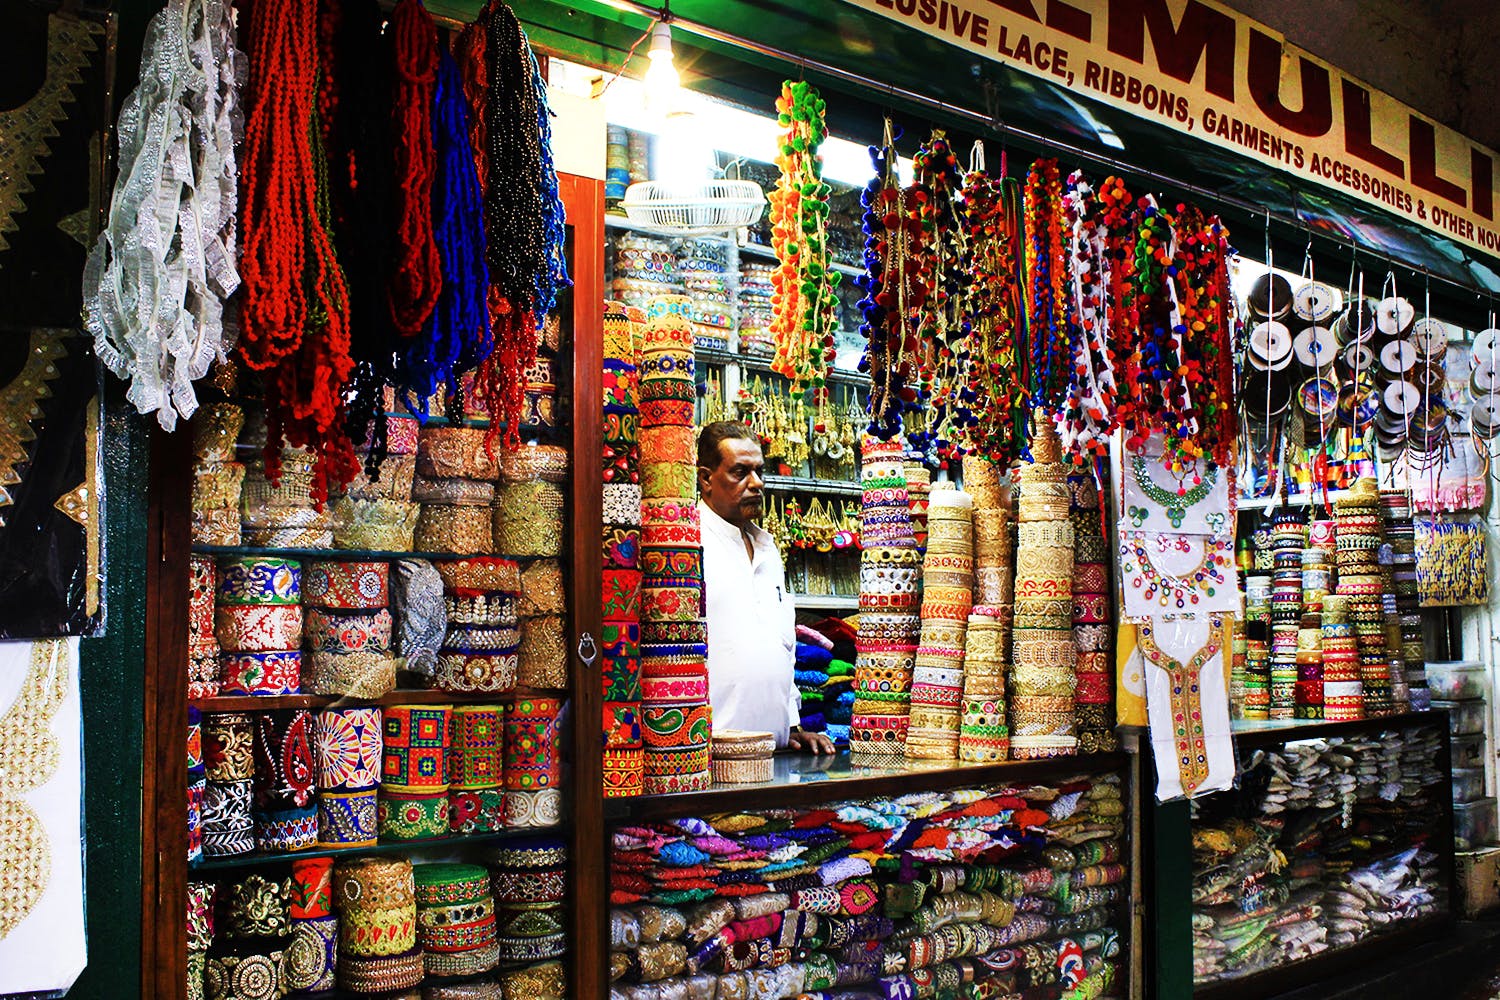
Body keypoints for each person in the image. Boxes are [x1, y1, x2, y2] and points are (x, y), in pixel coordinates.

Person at [697, 421, 835, 754]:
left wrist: (793, 726)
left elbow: (782, 645)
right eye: (739, 472)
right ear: (705, 479)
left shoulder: (768, 550)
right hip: (707, 754)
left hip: (776, 754)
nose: (756, 483)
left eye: (759, 471)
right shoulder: (689, 543)